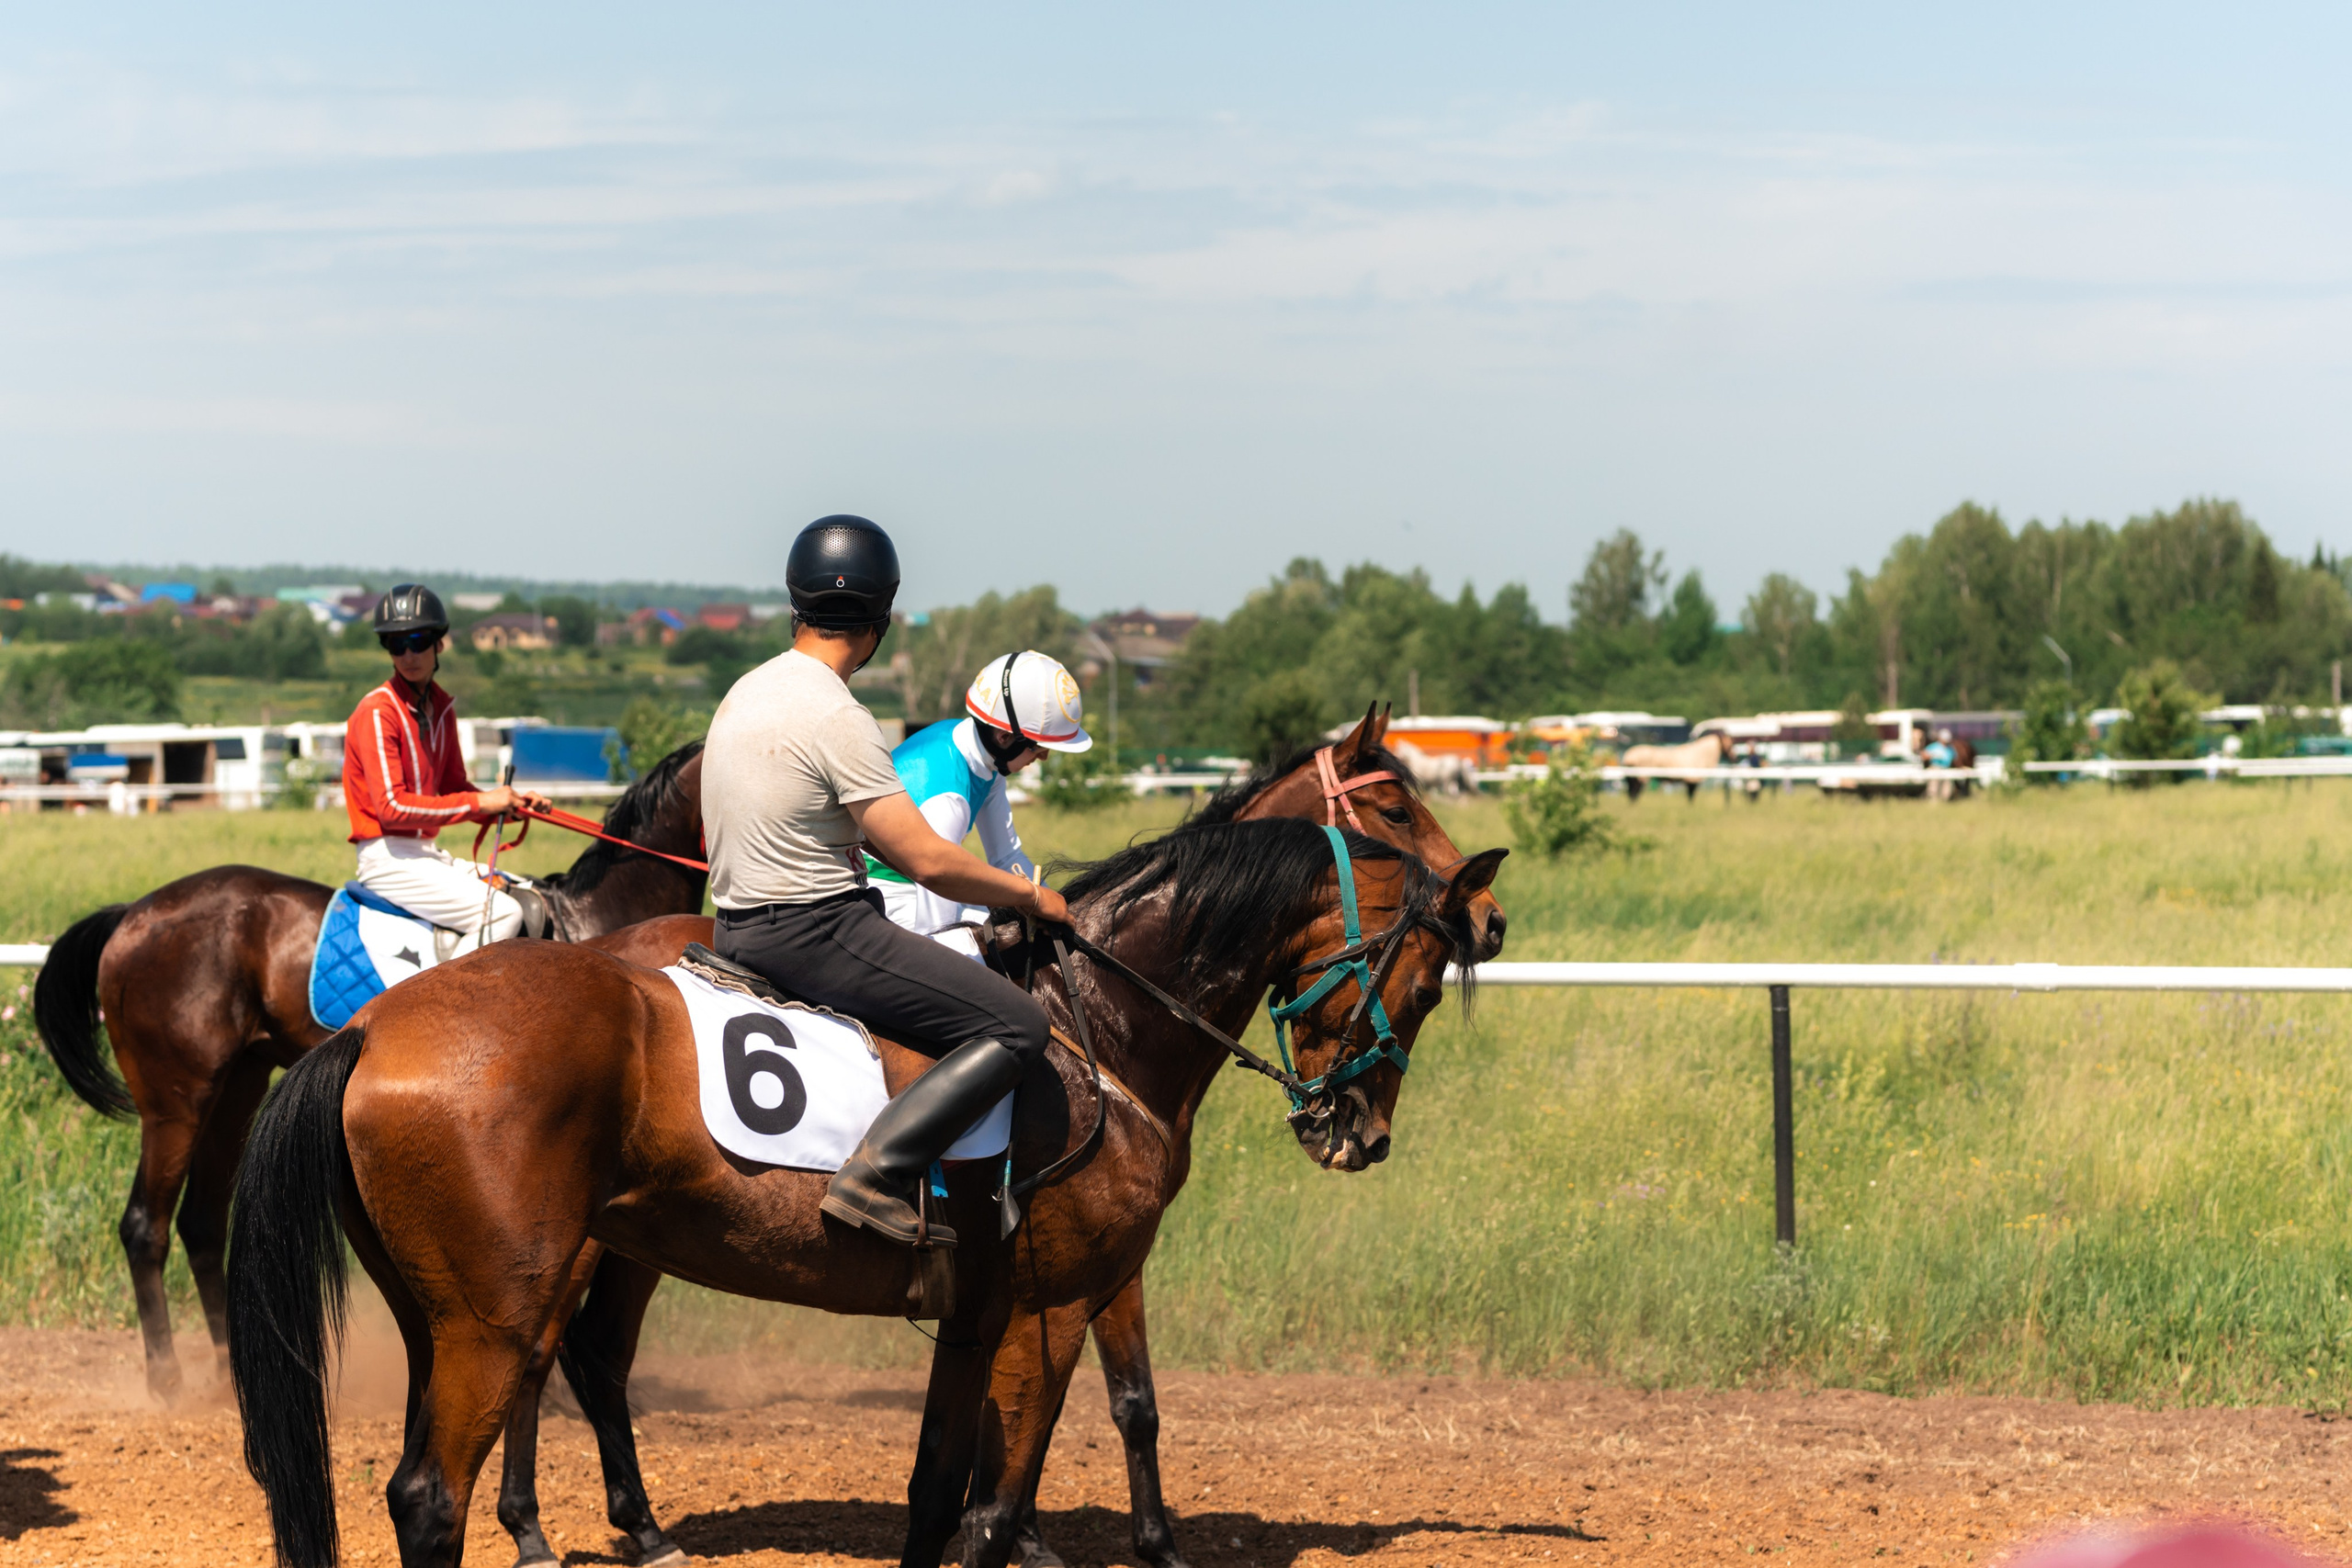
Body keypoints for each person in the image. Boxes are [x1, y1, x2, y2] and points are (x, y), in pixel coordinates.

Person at [701, 515, 1069, 1250]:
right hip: (817, 932)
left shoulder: (747, 688)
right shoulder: (839, 713)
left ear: (796, 604)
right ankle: (879, 1171)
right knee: (1020, 1024)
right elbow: (925, 860)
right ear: (881, 622)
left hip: (733, 922)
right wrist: (1029, 896)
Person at [343, 584, 553, 948]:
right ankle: (452, 1004)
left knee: (531, 896)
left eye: (419, 640)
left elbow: (456, 788)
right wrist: (482, 804)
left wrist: (510, 805)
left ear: (439, 643)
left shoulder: (442, 709)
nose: (409, 654)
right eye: (397, 644)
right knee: (504, 914)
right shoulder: (378, 712)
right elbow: (391, 809)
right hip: (387, 860)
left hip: (426, 855)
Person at [867, 650, 1091, 959]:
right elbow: (937, 927)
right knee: (974, 957)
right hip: (885, 891)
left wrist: (1052, 901)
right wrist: (1033, 900)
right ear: (1004, 737)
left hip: (921, 886)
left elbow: (1006, 856)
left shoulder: (977, 753)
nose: (1044, 757)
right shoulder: (948, 800)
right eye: (1039, 748)